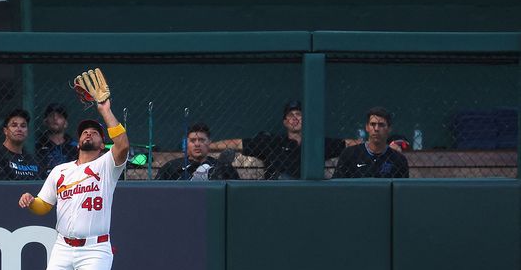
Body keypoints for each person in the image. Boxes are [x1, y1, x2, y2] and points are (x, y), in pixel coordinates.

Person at [18, 74, 128, 270]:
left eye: (94, 131)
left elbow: (122, 144)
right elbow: (44, 206)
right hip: (63, 248)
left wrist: (104, 109)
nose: (89, 133)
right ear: (78, 139)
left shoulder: (106, 166)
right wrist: (31, 202)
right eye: (85, 131)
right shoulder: (61, 171)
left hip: (96, 250)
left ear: (100, 140)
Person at [210, 100, 360, 180]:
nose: (295, 118)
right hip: (275, 191)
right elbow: (237, 144)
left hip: (306, 191)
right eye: (290, 115)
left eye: (299, 114)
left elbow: (347, 143)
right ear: (284, 122)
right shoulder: (272, 142)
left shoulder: (317, 143)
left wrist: (371, 144)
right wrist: (208, 147)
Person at [333, 107, 410, 178]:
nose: (376, 129)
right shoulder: (349, 154)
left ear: (389, 129)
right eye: (373, 124)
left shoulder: (399, 159)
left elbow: (403, 190)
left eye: (381, 125)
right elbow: (337, 186)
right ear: (367, 127)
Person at [156, 122, 239, 180]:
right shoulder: (172, 167)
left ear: (209, 142)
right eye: (193, 140)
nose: (197, 144)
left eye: (202, 140)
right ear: (187, 143)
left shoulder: (221, 167)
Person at [0, 109, 41, 180]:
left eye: (23, 126)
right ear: (5, 131)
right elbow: (0, 187)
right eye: (14, 125)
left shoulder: (33, 160)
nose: (19, 129)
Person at [36, 103, 78, 175]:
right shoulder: (38, 145)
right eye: (51, 116)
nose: (55, 118)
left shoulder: (74, 147)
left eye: (59, 116)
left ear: (65, 123)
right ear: (45, 121)